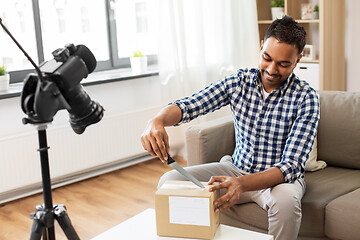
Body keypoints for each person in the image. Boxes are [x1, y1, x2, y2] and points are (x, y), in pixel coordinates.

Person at [140, 15, 319, 240]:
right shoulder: (239, 82)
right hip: (235, 169)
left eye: (283, 64)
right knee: (169, 182)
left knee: (286, 205)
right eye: (267, 58)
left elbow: (292, 166)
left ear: (298, 59)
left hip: (277, 180)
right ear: (261, 46)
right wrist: (156, 121)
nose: (272, 70)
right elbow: (191, 105)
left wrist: (241, 184)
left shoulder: (306, 98)